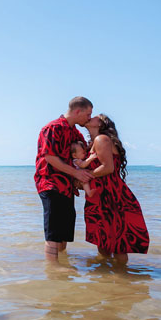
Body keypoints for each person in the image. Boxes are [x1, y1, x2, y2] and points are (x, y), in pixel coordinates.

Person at [82, 114, 149, 265]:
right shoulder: (93, 142)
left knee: (118, 245)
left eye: (94, 117)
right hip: (101, 196)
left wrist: (85, 176)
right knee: (104, 243)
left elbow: (108, 168)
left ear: (100, 124)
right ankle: (108, 281)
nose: (90, 117)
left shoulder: (102, 139)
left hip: (112, 195)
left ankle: (121, 279)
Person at [34, 96, 94, 263]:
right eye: (88, 114)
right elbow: (50, 157)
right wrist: (76, 174)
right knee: (53, 231)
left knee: (65, 231)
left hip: (67, 186)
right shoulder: (52, 128)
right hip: (50, 183)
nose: (89, 118)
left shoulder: (75, 132)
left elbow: (86, 154)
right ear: (77, 111)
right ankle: (53, 269)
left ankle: (62, 267)